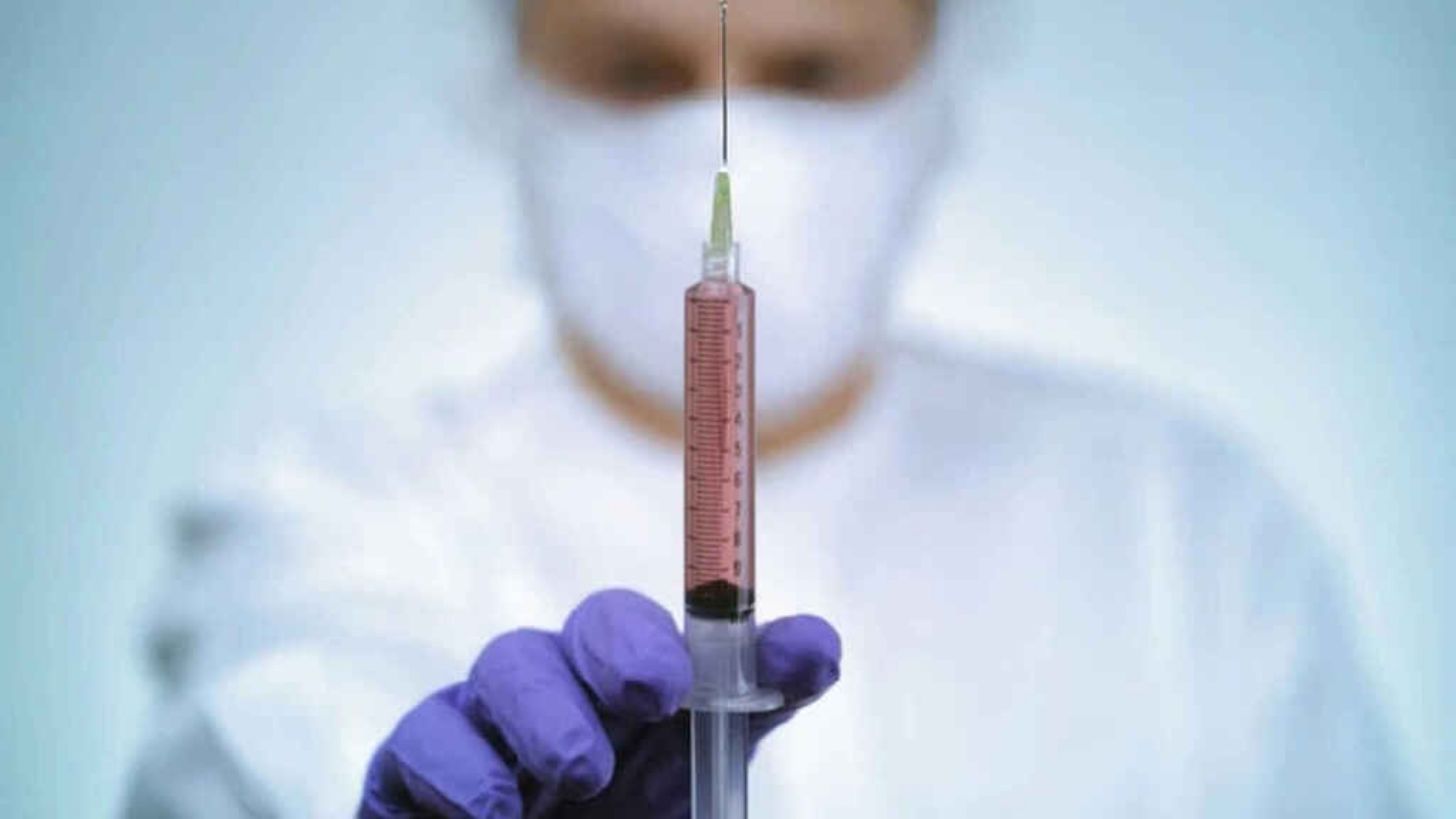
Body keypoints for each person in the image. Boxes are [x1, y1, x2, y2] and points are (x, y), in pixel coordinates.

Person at [126, 1, 1413, 816]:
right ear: (507, 80)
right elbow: (284, 740)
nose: (721, 141)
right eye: (637, 72)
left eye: (813, 74)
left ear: (936, 79)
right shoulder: (330, 518)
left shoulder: (1179, 526)